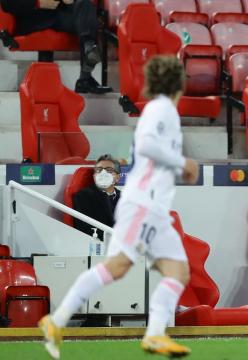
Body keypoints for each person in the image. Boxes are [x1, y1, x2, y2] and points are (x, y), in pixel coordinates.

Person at [39, 55, 200, 359]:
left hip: (149, 206)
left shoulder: (160, 110)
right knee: (125, 267)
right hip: (143, 205)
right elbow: (148, 146)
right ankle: (58, 320)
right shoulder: (162, 109)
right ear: (177, 83)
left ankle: (151, 334)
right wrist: (183, 163)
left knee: (173, 270)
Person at [0, 0, 112, 94]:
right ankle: (89, 51)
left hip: (58, 14)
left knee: (84, 4)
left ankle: (85, 76)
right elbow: (7, 3)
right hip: (33, 17)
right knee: (85, 22)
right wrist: (39, 2)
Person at [72, 154, 122, 240]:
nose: (103, 173)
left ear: (117, 177)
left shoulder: (124, 197)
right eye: (99, 170)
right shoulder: (83, 196)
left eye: (109, 170)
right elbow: (86, 228)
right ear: (94, 176)